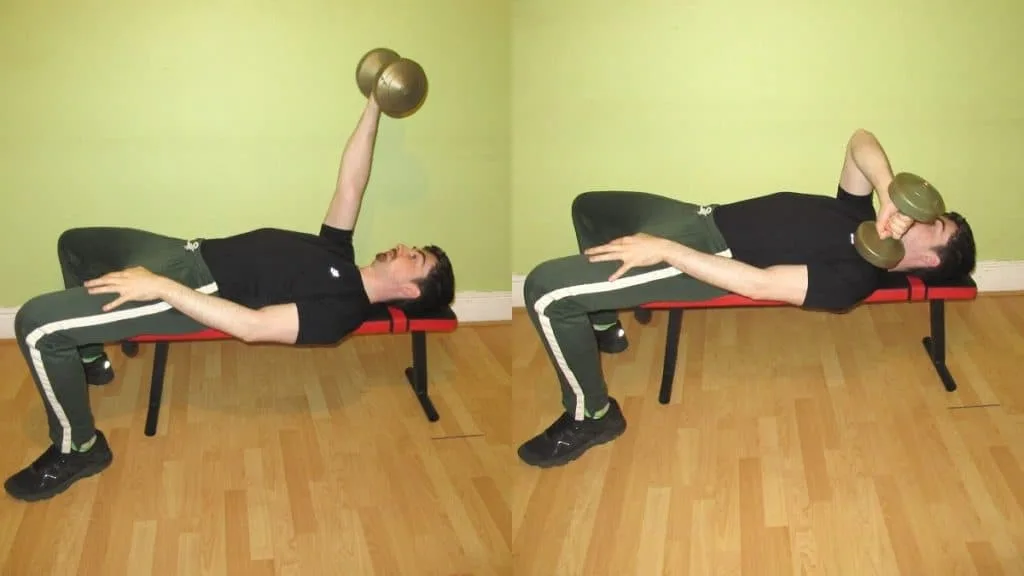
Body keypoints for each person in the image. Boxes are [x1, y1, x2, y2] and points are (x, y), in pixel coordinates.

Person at [5, 95, 456, 502]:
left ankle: (79, 448)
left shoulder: (343, 310)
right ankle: (88, 357)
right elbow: (352, 182)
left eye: (412, 257)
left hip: (192, 290)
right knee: (75, 245)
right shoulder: (339, 253)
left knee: (37, 325)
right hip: (185, 252)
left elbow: (252, 327)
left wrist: (159, 286)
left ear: (409, 291)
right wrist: (376, 104)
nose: (401, 246)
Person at [517, 128, 976, 468]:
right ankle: (602, 322)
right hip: (696, 216)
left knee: (545, 292)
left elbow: (757, 284)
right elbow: (860, 140)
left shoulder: (853, 279)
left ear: (932, 262)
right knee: (588, 207)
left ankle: (592, 415)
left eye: (928, 226)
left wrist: (665, 250)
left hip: (703, 257)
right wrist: (886, 191)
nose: (912, 220)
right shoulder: (861, 214)